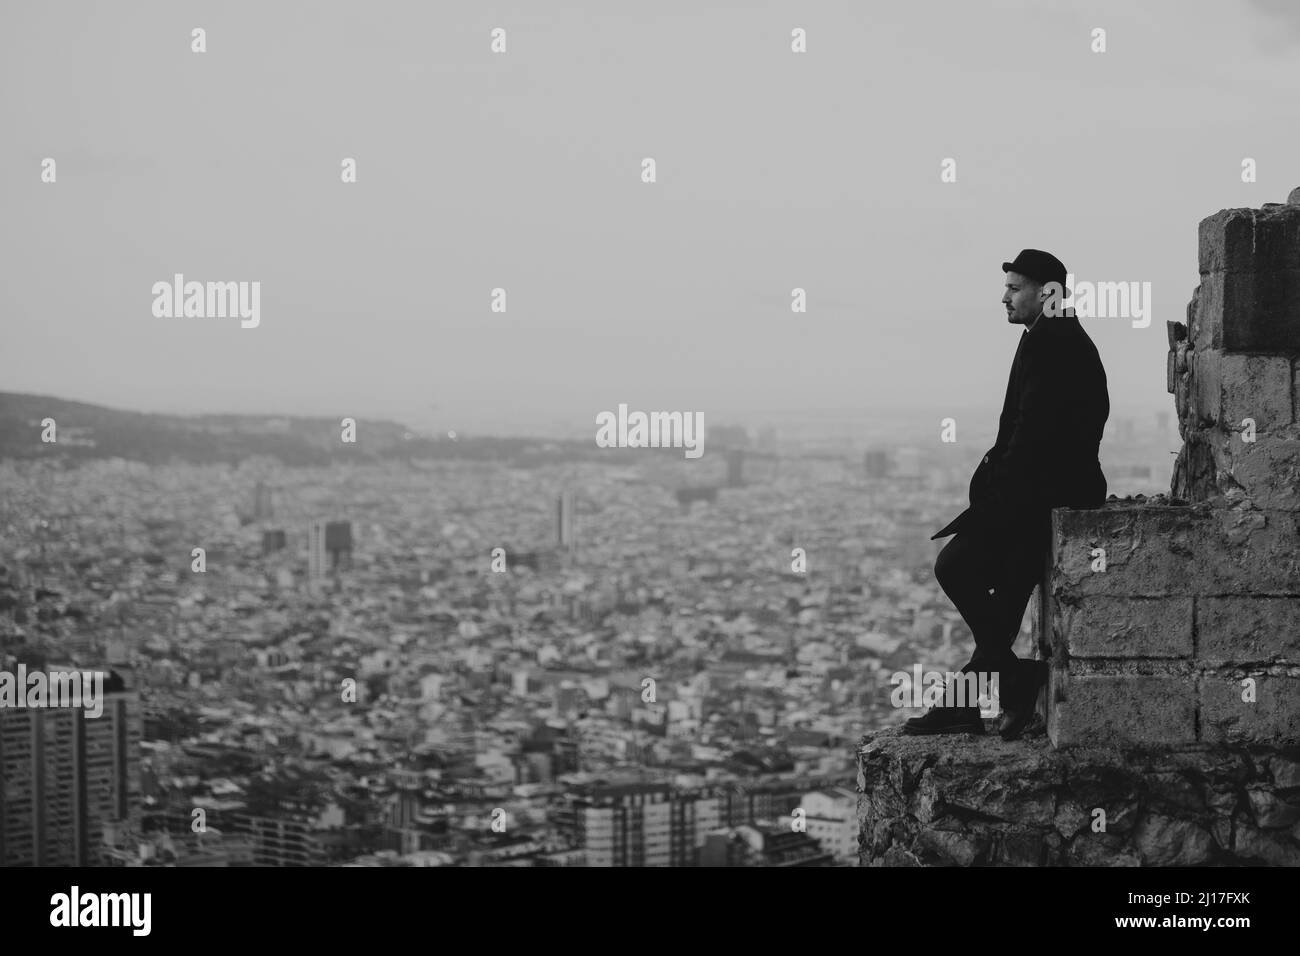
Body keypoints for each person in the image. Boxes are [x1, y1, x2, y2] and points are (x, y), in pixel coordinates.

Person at [903, 249, 1109, 740]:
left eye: (1015, 288)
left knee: (955, 566)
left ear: (1048, 292)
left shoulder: (1052, 342)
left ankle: (991, 691)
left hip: (1039, 497)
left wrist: (999, 501)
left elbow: (1033, 435)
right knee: (1003, 608)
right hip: (1044, 493)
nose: (1004, 297)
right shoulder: (1053, 336)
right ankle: (993, 690)